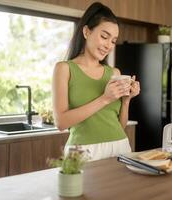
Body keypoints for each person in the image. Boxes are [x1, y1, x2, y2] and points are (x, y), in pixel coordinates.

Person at [52, 2, 140, 161]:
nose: (108, 46)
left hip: (119, 147)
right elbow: (61, 123)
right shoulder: (64, 69)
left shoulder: (114, 73)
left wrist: (126, 101)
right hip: (82, 152)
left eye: (113, 41)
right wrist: (105, 98)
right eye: (104, 37)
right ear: (86, 31)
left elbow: (119, 126)